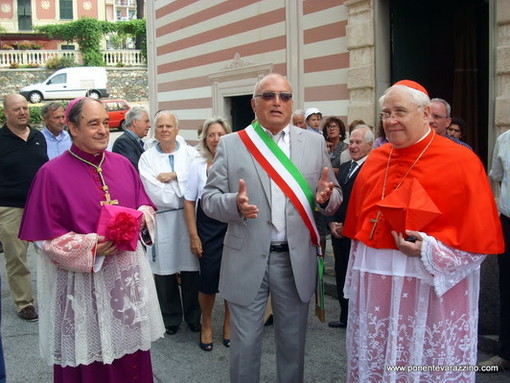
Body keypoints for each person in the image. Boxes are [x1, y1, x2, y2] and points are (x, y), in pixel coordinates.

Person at [342, 80, 504, 382]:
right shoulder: (377, 158)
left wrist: (428, 250)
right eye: (385, 113)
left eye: (399, 111)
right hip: (377, 280)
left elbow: (476, 243)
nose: (391, 120)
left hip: (427, 286)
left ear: (426, 112)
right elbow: (361, 227)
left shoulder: (462, 160)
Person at [202, 73, 342, 383]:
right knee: (245, 347)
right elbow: (208, 200)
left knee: (293, 345)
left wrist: (327, 198)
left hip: (294, 261)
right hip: (246, 258)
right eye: (268, 96)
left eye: (285, 96)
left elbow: (333, 195)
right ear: (254, 104)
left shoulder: (314, 142)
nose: (277, 102)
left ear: (292, 104)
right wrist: (232, 205)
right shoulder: (232, 143)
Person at [18, 97, 165, 382]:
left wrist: (136, 221)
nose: (102, 130)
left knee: (129, 362)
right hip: (83, 292)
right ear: (72, 127)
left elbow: (145, 207)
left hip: (125, 288)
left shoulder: (123, 165)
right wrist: (91, 246)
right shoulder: (50, 174)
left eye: (104, 123)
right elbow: (44, 240)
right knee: (89, 363)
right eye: (92, 124)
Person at [139, 111, 201, 336]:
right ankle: (170, 318)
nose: (165, 130)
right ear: (155, 130)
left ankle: (194, 316)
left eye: (169, 126)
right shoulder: (147, 158)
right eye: (160, 126)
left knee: (191, 270)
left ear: (177, 129)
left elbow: (198, 186)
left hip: (188, 221)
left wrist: (173, 176)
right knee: (164, 272)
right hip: (163, 221)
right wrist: (184, 190)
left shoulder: (191, 153)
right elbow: (155, 194)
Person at [183, 117, 232, 352]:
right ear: (205, 139)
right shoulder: (197, 164)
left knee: (233, 279)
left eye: (220, 134)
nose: (216, 139)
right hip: (208, 228)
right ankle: (206, 325)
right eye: (211, 135)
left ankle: (229, 324)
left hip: (232, 226)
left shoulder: (236, 161)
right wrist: (194, 235)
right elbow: (189, 201)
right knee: (208, 280)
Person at [0, 94, 47, 321]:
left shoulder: (38, 136)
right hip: (10, 208)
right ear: (6, 113)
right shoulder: (0, 139)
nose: (22, 112)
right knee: (16, 258)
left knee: (50, 253)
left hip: (40, 207)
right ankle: (24, 302)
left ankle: (52, 297)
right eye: (16, 109)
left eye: (25, 108)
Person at [327, 125, 373, 329]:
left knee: (357, 277)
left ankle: (359, 319)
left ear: (370, 145)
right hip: (338, 233)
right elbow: (337, 198)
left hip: (358, 234)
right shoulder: (345, 167)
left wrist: (348, 224)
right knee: (341, 271)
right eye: (351, 142)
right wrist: (332, 223)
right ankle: (345, 316)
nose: (353, 146)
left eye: (358, 142)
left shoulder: (373, 170)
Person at [478, 129, 510, 371]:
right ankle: (506, 353)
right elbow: (496, 176)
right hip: (509, 223)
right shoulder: (504, 139)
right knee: (507, 288)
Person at [112, 106, 151, 170]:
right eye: (146, 121)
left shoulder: (137, 141)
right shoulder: (123, 142)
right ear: (135, 122)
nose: (149, 125)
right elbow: (137, 168)